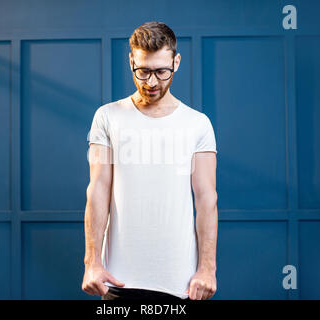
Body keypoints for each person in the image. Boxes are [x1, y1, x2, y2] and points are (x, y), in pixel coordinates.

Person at [82, 21, 218, 301]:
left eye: (161, 71)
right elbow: (97, 191)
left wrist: (207, 270)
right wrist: (91, 263)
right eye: (143, 71)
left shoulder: (198, 124)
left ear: (176, 62)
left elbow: (206, 199)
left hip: (181, 284)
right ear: (131, 61)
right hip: (117, 280)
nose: (152, 82)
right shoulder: (107, 117)